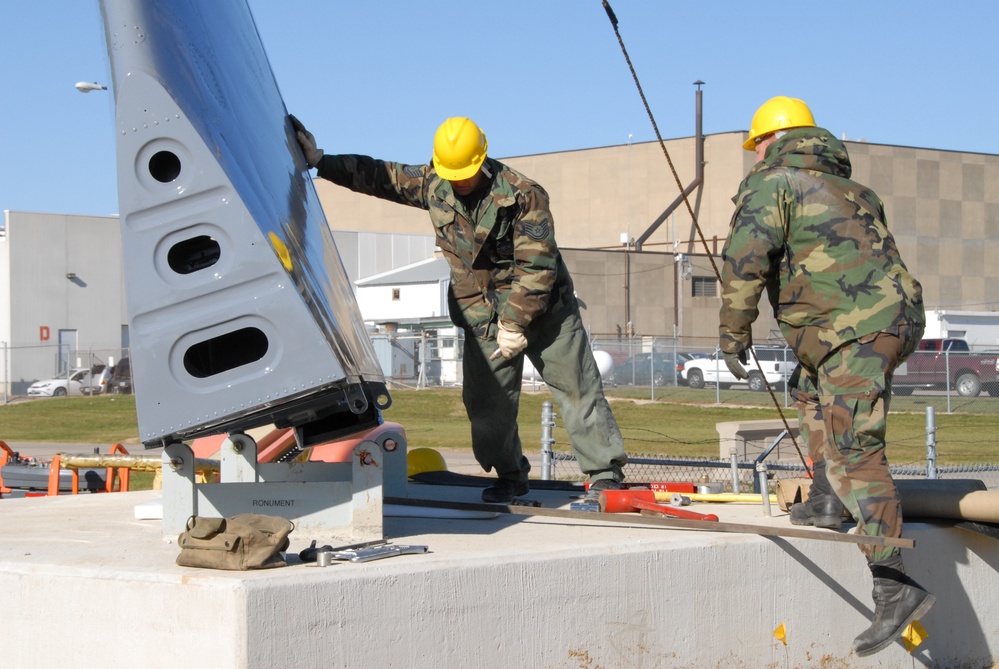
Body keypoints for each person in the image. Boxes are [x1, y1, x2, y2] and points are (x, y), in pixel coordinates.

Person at [291, 115, 628, 503]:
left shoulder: (523, 195)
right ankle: (510, 475)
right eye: (451, 174)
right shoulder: (435, 183)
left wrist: (516, 323)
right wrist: (320, 160)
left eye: (465, 174)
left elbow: (538, 266)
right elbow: (380, 176)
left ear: (482, 160)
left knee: (578, 390)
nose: (458, 181)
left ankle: (605, 473)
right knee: (487, 406)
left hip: (548, 312)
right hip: (482, 314)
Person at [718, 96, 934, 657]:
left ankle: (892, 582)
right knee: (809, 390)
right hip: (883, 321)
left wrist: (732, 331)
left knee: (854, 444)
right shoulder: (858, 191)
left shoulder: (773, 184)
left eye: (755, 145)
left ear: (769, 141)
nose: (755, 154)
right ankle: (827, 499)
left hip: (851, 329)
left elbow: (747, 257)